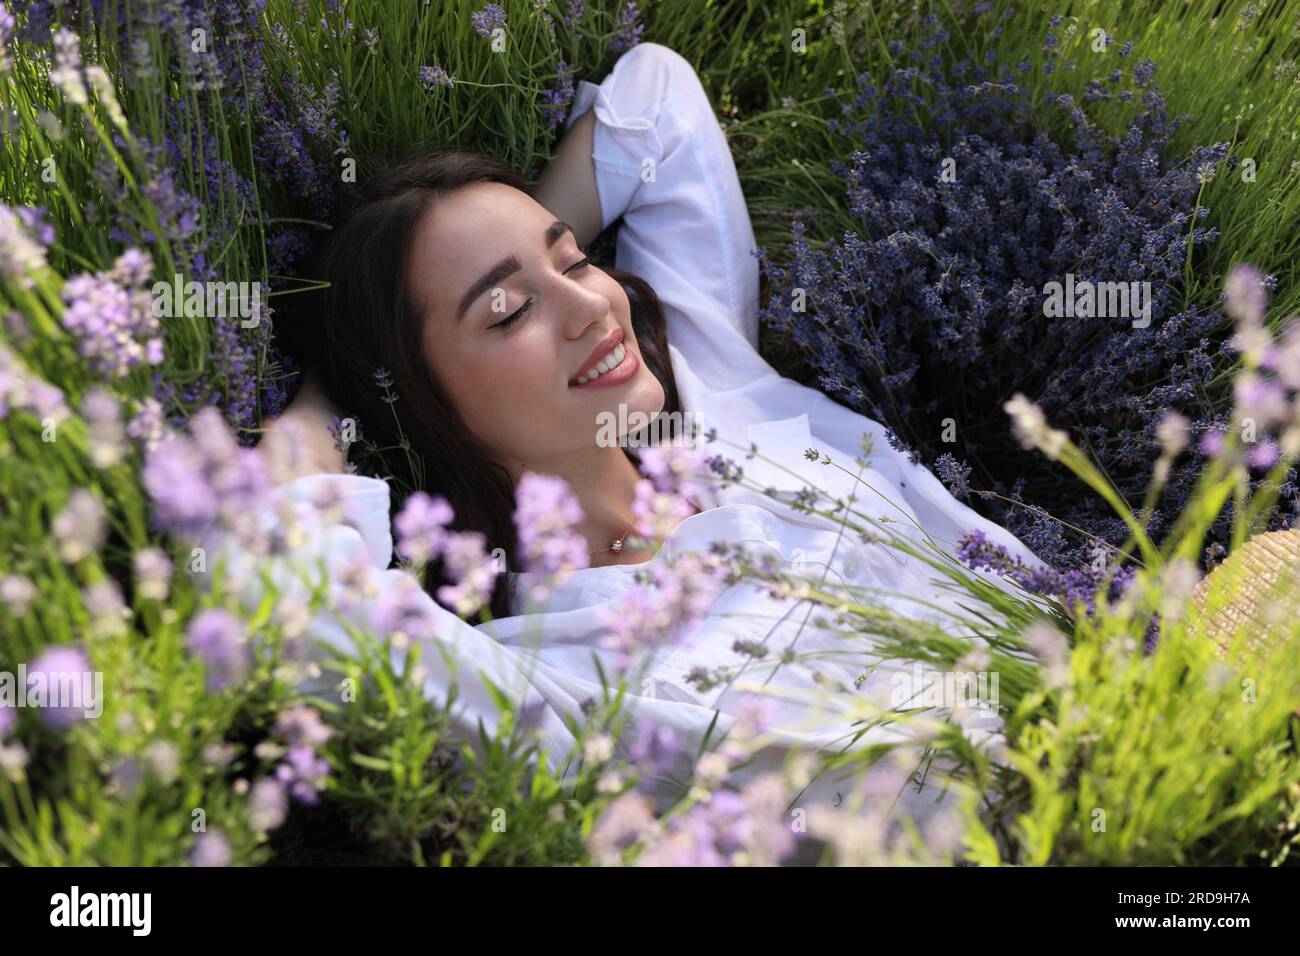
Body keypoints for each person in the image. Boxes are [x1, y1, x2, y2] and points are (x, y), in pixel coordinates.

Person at [229, 42, 1048, 840]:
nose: (593, 307)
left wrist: (518, 259)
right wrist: (343, 396)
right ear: (424, 401)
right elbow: (283, 597)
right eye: (509, 313)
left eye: (577, 261)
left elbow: (656, 105)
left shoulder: (721, 399)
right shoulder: (551, 682)